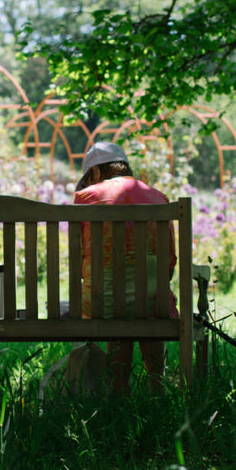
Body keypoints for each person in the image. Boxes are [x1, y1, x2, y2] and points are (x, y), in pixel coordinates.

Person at [72, 142, 178, 394]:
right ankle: (157, 384)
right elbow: (169, 261)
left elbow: (77, 260)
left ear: (96, 172)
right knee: (148, 298)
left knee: (112, 297)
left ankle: (119, 386)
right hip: (154, 303)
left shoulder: (86, 198)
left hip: (101, 303)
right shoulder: (157, 196)